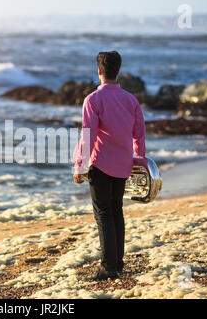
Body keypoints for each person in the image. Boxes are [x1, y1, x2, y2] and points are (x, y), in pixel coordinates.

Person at [73, 51, 146, 280]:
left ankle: (109, 267)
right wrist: (139, 160)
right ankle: (118, 263)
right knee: (116, 213)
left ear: (99, 71)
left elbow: (88, 137)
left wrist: (79, 166)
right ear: (118, 71)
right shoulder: (130, 100)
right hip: (124, 165)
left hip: (100, 165)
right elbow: (139, 134)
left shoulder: (93, 100)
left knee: (103, 215)